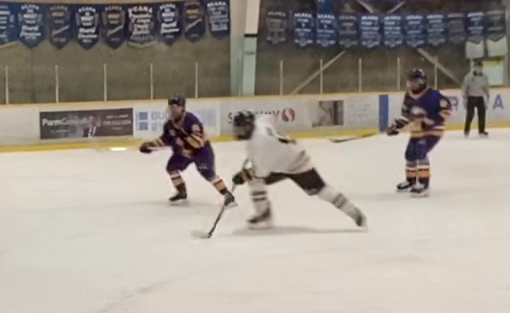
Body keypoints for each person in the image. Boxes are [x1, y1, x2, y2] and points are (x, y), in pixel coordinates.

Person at [228, 111, 365, 230]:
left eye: (240, 129)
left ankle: (352, 211)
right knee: (255, 179)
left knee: (321, 190)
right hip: (288, 157)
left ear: (249, 126)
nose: (238, 132)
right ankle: (263, 214)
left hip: (296, 165)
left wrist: (243, 175)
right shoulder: (261, 121)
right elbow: (272, 122)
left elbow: (261, 172)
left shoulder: (259, 144)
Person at [138, 96, 233, 206]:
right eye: (171, 108)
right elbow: (165, 139)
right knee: (171, 167)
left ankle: (227, 194)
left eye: (175, 107)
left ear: (182, 108)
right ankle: (181, 191)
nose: (173, 111)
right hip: (184, 152)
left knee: (207, 173)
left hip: (202, 151)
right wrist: (150, 145)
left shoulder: (191, 121)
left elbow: (198, 142)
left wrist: (181, 146)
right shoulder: (169, 125)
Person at [388, 69, 449, 196]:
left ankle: (424, 184)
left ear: (422, 82)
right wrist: (396, 126)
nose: (412, 85)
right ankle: (410, 181)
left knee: (421, 152)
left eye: (415, 82)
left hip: (433, 130)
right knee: (410, 154)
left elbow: (446, 108)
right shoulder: (408, 96)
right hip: (417, 131)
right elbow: (407, 115)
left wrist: (432, 120)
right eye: (410, 82)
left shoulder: (433, 95)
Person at [461, 61, 491, 138]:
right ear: (474, 68)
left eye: (480, 67)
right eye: (477, 67)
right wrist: (464, 97)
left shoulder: (484, 77)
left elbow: (486, 87)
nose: (479, 69)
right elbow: (465, 87)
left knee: (482, 114)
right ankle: (466, 130)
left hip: (480, 97)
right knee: (470, 115)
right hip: (471, 97)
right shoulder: (469, 77)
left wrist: (487, 95)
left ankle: (481, 131)